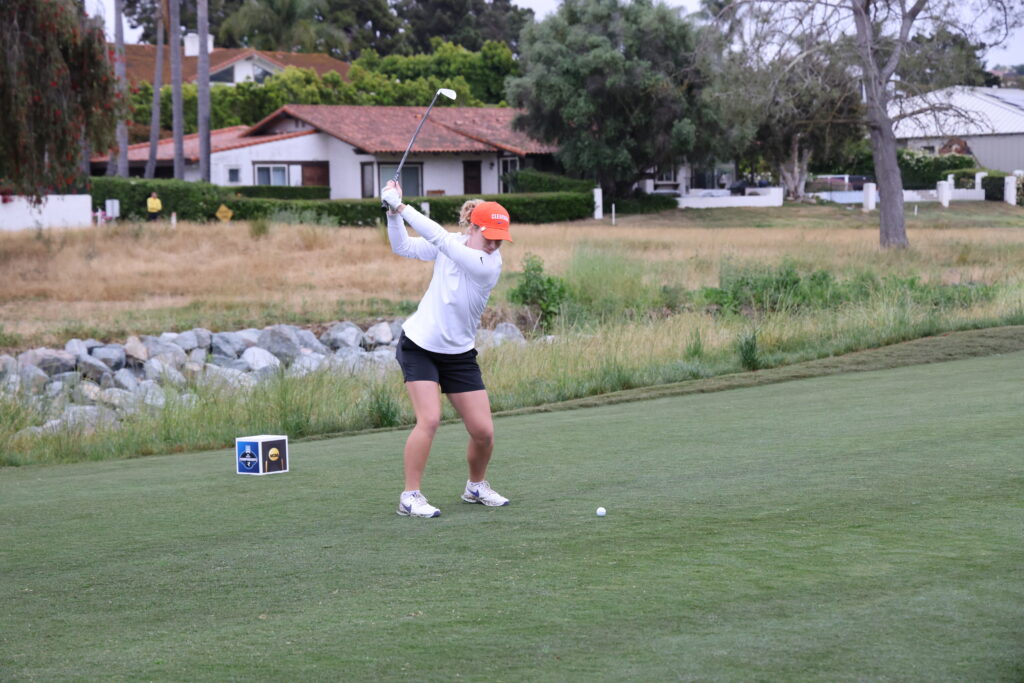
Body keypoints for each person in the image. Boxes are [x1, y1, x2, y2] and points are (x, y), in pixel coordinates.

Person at [381, 179, 512, 519]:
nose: (495, 244)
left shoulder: (488, 264)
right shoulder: (452, 243)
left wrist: (400, 205)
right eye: (489, 237)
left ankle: (475, 486)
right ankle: (410, 496)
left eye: (500, 239)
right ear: (473, 227)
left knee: (483, 431)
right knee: (430, 419)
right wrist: (392, 214)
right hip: (420, 345)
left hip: (459, 353)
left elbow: (439, 239)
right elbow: (404, 248)